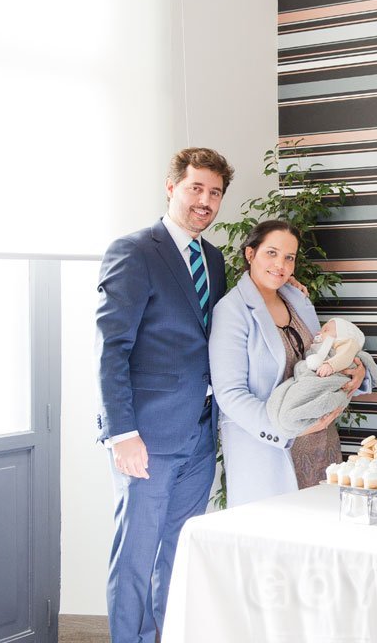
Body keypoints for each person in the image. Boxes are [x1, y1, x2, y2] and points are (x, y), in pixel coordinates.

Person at [95, 147, 233, 643]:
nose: (205, 200)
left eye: (214, 193)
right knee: (135, 556)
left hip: (199, 437)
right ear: (171, 186)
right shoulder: (135, 250)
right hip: (146, 437)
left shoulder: (212, 259)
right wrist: (122, 434)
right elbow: (112, 348)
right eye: (196, 188)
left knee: (177, 552)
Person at [209, 219, 368, 507]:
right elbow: (230, 394)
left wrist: (358, 374)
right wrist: (285, 430)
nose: (280, 264)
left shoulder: (298, 300)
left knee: (325, 539)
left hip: (321, 444)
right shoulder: (231, 311)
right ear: (250, 254)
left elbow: (321, 358)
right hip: (269, 451)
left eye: (289, 257)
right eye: (271, 253)